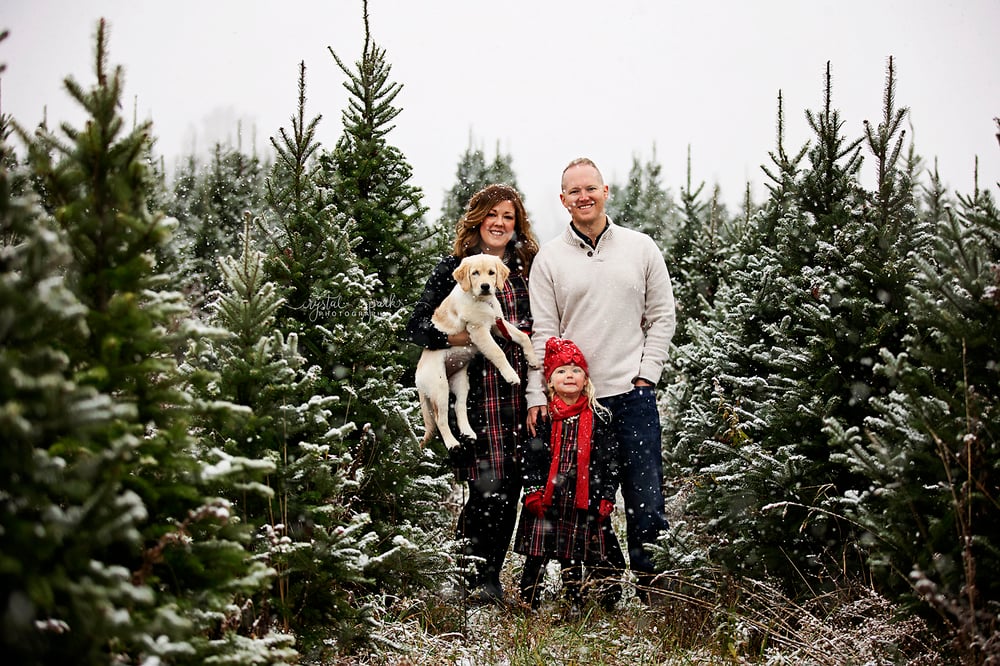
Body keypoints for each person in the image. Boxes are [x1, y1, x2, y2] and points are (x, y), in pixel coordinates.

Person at [526, 157, 676, 602]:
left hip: (632, 397)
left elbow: (662, 316)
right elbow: (542, 335)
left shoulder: (640, 248)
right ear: (563, 200)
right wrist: (540, 394)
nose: (583, 196)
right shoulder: (550, 260)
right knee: (583, 503)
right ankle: (595, 590)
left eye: (590, 188)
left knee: (646, 500)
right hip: (575, 407)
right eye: (574, 191)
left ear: (605, 191)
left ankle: (657, 596)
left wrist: (647, 376)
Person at [404, 183, 540, 604]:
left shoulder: (526, 269)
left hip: (517, 391)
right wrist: (461, 337)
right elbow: (417, 326)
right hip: (475, 393)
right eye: (492, 215)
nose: (499, 223)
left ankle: (492, 577)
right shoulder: (454, 269)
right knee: (486, 488)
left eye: (508, 217)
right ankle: (469, 577)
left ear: (517, 225)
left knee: (512, 487)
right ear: (477, 219)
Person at [514, 337, 625, 612]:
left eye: (576, 370)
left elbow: (610, 461)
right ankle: (528, 598)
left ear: (586, 379)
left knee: (573, 551)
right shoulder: (542, 418)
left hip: (580, 499)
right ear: (550, 382)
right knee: (536, 554)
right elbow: (531, 457)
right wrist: (532, 490)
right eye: (561, 371)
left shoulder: (599, 417)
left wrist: (607, 495)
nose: (569, 376)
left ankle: (574, 599)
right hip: (546, 496)